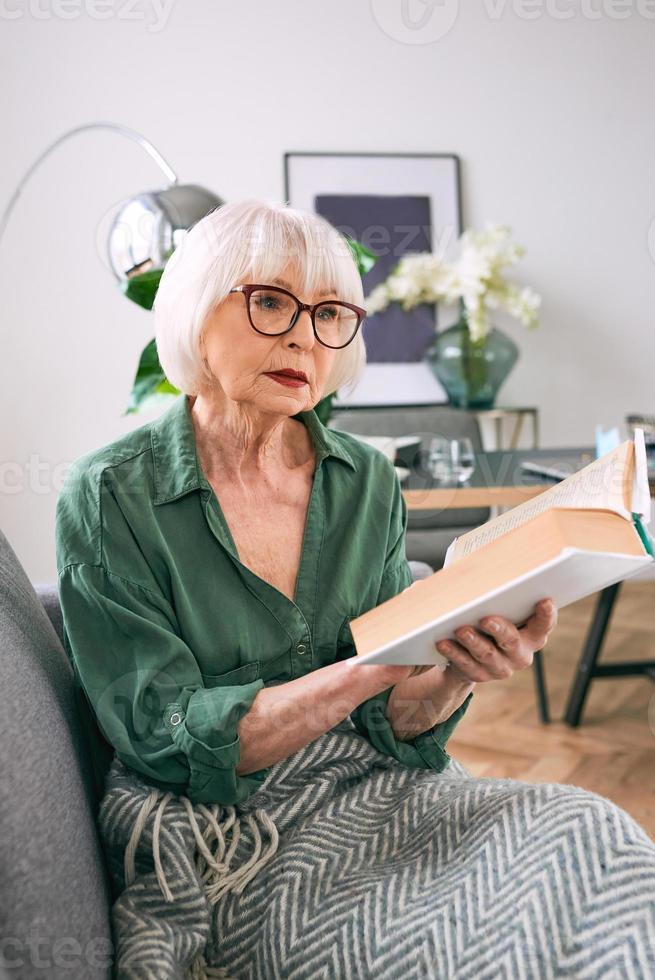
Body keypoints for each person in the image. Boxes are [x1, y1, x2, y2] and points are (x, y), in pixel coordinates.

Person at [60, 199, 655, 979]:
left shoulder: (365, 479)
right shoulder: (110, 495)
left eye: (331, 313)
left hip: (384, 790)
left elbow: (390, 721)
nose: (305, 336)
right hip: (240, 836)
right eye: (271, 302)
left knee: (589, 829)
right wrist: (365, 672)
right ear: (193, 311)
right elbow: (160, 737)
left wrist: (451, 674)